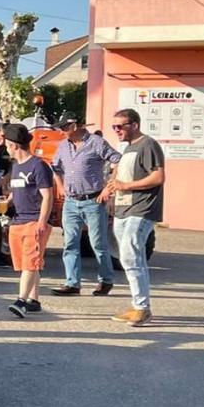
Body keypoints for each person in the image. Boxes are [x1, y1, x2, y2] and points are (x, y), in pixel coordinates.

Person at [49, 112, 122, 297]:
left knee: (97, 243)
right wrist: (60, 186)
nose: (61, 131)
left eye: (64, 127)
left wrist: (109, 187)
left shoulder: (96, 142)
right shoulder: (63, 146)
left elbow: (118, 160)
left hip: (93, 200)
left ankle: (105, 280)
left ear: (74, 126)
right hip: (71, 202)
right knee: (70, 243)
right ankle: (72, 283)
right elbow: (55, 167)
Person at [103, 108, 165, 327]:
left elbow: (158, 176)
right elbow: (118, 174)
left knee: (131, 255)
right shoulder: (128, 148)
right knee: (128, 258)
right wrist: (110, 192)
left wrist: (126, 186)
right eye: (114, 127)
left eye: (120, 126)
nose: (117, 130)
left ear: (135, 125)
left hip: (141, 209)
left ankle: (142, 307)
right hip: (122, 209)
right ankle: (138, 305)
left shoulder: (148, 145)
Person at [2, 124, 54, 318]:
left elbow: (47, 195)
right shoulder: (16, 167)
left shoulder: (38, 165)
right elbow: (16, 191)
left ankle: (21, 301)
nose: (5, 148)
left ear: (12, 145)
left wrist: (42, 222)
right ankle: (34, 300)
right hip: (17, 221)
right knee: (28, 264)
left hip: (33, 220)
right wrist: (6, 202)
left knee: (30, 264)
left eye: (6, 144)